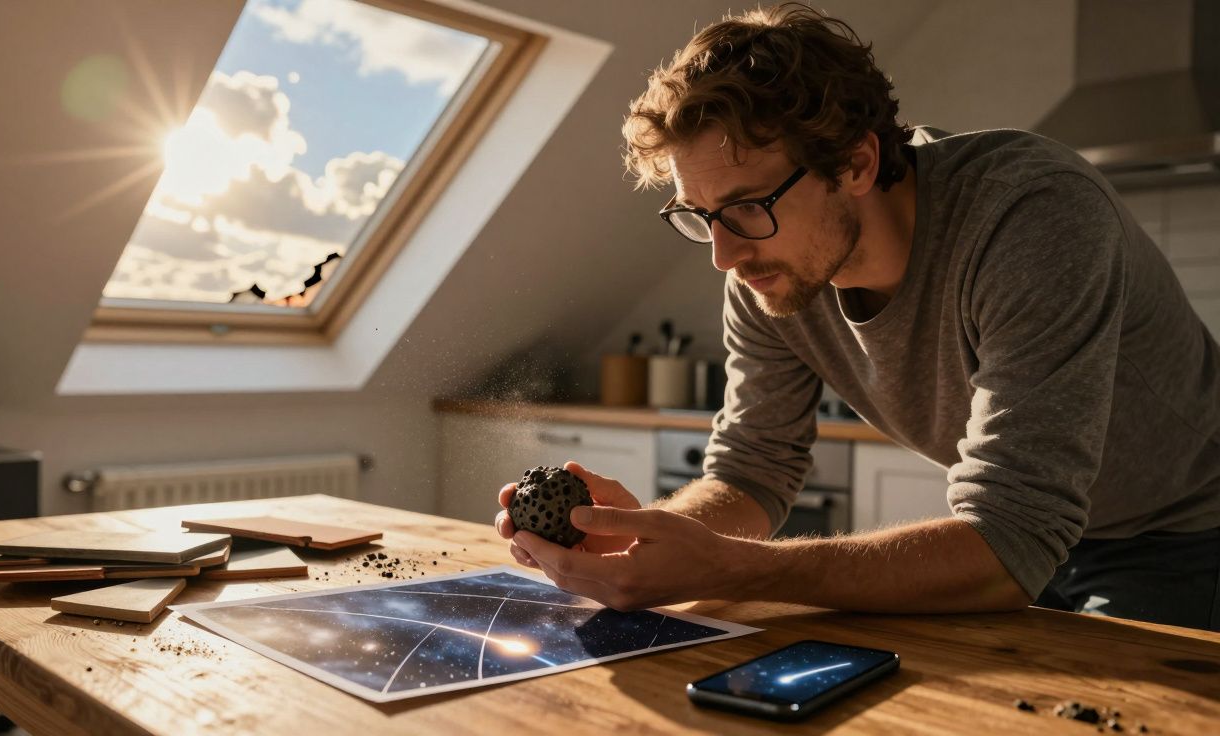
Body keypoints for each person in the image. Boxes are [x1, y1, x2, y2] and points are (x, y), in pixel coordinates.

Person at [494, 3, 1220, 630]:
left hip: (1181, 534)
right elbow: (751, 471)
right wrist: (647, 540)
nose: (722, 254)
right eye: (700, 216)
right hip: (1015, 542)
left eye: (749, 206)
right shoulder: (766, 271)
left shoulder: (1031, 215)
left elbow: (1007, 539)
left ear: (856, 165)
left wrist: (739, 570)